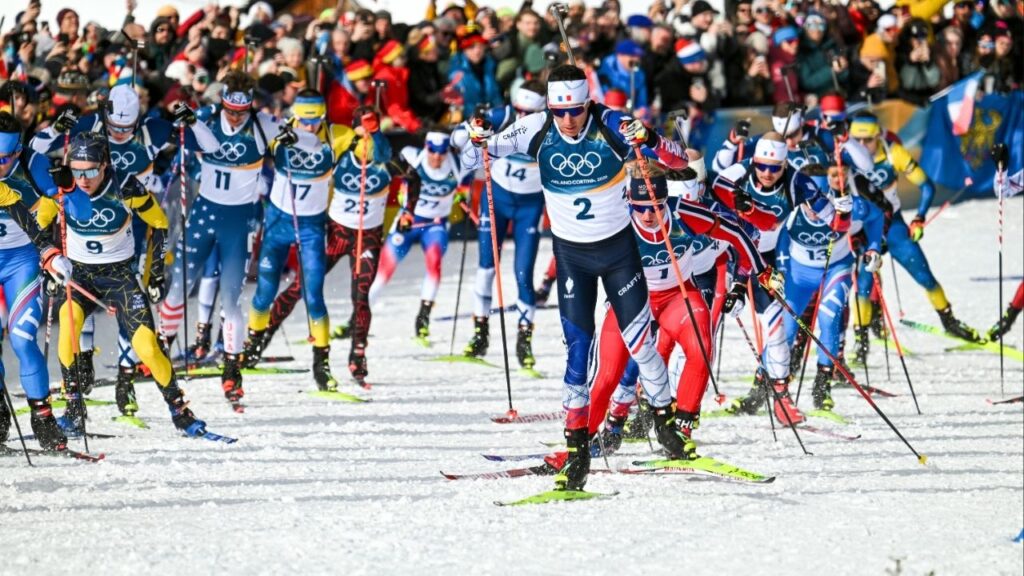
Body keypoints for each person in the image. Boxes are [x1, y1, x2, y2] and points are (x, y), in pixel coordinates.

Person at [460, 64, 694, 492]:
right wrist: (473, 135)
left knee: (641, 344)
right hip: (572, 259)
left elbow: (678, 162)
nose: (567, 121)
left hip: (619, 254)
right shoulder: (534, 129)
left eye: (576, 111)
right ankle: (577, 450)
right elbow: (473, 158)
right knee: (577, 357)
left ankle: (664, 420)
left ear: (589, 103)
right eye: (559, 111)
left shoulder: (611, 126)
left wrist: (651, 139)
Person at [30, 84, 218, 418]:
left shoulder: (147, 139)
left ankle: (134, 385)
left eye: (127, 128)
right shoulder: (84, 137)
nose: (121, 133)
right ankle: (76, 397)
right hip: (82, 269)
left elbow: (208, 148)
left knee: (143, 340)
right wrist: (48, 261)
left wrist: (192, 120)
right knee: (70, 325)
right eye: (116, 128)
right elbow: (34, 163)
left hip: (127, 250)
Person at [157, 71, 320, 408]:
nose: (234, 117)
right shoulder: (207, 117)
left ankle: (232, 369)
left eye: (240, 112)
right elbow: (179, 128)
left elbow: (312, 142)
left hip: (239, 221)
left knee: (231, 298)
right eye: (230, 110)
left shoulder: (263, 123)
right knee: (178, 286)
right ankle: (161, 349)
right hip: (205, 214)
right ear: (223, 103)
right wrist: (180, 116)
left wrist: (294, 139)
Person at [586, 169, 766, 459]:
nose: (648, 215)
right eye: (641, 208)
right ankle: (588, 439)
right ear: (630, 201)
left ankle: (680, 433)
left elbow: (738, 234)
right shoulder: (617, 221)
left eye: (656, 206)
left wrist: (756, 274)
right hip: (632, 299)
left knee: (701, 348)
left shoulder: (684, 214)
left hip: (676, 297)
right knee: (609, 372)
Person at [240, 90, 357, 393]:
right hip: (278, 224)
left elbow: (373, 153)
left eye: (315, 120)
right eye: (305, 120)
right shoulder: (279, 130)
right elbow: (245, 130)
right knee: (265, 291)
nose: (309, 127)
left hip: (311, 227)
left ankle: (322, 364)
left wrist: (370, 129)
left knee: (314, 295)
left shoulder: (336, 135)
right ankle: (252, 346)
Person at [710, 133, 828, 422]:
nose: (766, 173)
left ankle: (780, 396)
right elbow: (714, 184)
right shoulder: (744, 170)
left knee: (775, 329)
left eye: (774, 168)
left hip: (766, 260)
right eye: (762, 166)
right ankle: (667, 404)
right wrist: (736, 203)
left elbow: (830, 215)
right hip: (728, 256)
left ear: (784, 165)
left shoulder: (795, 181)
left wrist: (838, 218)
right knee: (702, 333)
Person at [848, 112, 981, 364]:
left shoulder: (892, 153)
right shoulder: (848, 158)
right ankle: (861, 343)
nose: (862, 146)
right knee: (863, 286)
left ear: (878, 136)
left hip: (893, 226)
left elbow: (927, 186)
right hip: (865, 230)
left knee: (925, 276)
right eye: (857, 140)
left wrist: (919, 218)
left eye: (867, 141)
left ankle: (949, 321)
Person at [761, 164, 884, 420]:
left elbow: (876, 215)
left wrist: (873, 249)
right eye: (810, 202)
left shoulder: (845, 206)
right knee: (784, 329)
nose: (816, 210)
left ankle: (822, 386)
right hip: (799, 275)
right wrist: (778, 269)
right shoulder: (790, 208)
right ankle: (761, 387)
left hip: (835, 270)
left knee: (828, 319)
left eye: (821, 199)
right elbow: (774, 236)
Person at [451, 81, 546, 369]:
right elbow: (456, 138)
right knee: (486, 267)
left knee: (523, 273)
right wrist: (474, 131)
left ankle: (524, 339)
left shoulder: (549, 125)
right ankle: (480, 333)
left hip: (529, 208)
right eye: (519, 109)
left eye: (528, 112)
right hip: (498, 201)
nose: (521, 116)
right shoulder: (503, 115)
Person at [0, 112, 76, 450]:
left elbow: (58, 209)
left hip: (21, 262)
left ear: (16, 153)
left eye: (2, 159)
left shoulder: (33, 164)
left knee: (21, 339)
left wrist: (52, 253)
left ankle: (43, 418)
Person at [368, 131, 464, 344]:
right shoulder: (412, 156)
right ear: (426, 147)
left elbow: (472, 179)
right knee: (383, 272)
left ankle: (422, 321)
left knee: (434, 265)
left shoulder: (457, 164)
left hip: (434, 226)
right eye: (432, 151)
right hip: (407, 223)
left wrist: (462, 195)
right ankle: (358, 318)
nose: (437, 157)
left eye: (441, 153)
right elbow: (386, 164)